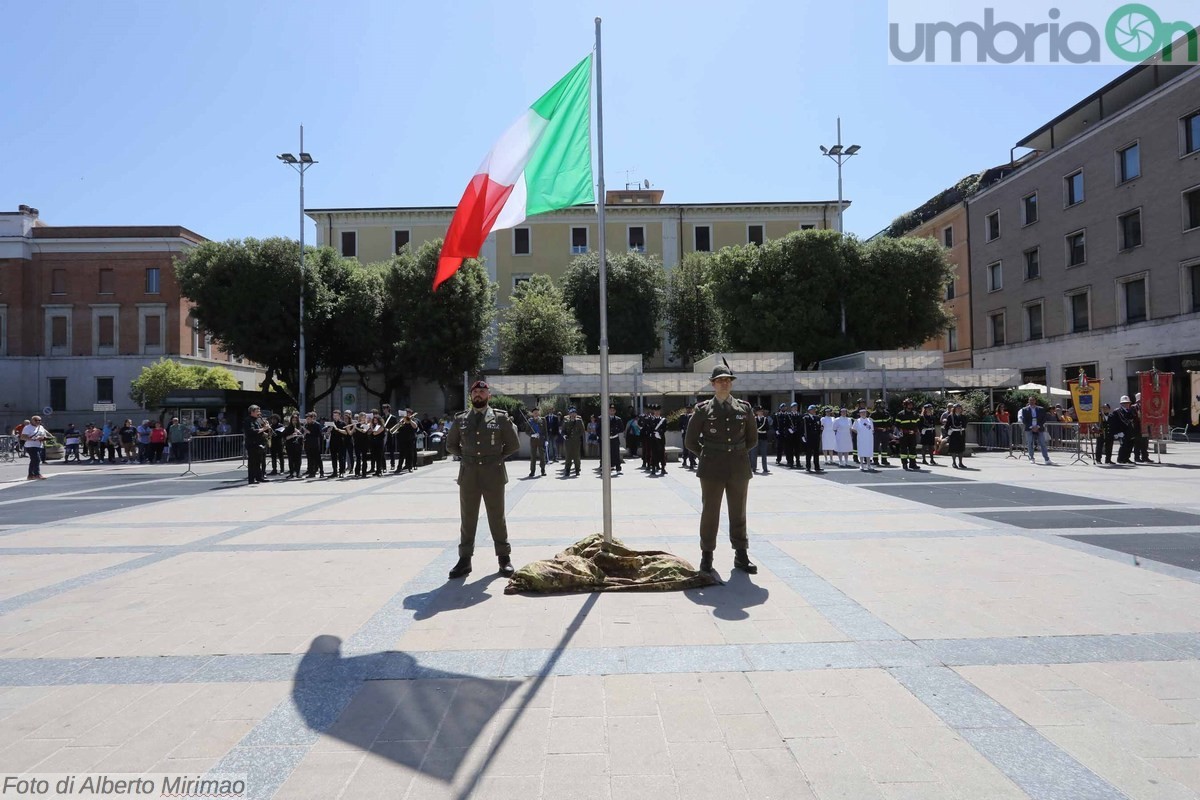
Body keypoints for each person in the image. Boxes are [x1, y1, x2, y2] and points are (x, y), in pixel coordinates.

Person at [684, 363, 758, 574]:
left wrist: (736, 451)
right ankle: (707, 555)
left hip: (738, 467)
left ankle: (741, 554)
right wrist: (707, 455)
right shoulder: (703, 409)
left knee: (738, 512)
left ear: (731, 383)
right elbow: (690, 441)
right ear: (713, 384)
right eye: (720, 380)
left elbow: (752, 439)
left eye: (727, 380)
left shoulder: (744, 408)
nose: (724, 383)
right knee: (710, 512)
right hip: (711, 469)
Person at [445, 380, 520, 579]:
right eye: (475, 392)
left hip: (493, 473)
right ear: (471, 396)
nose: (478, 394)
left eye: (482, 391)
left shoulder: (500, 418)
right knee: (467, 517)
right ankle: (465, 560)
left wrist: (495, 457)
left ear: (489, 396)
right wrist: (468, 456)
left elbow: (513, 444)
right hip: (469, 473)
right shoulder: (461, 419)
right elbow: (451, 445)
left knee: (497, 516)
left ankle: (504, 557)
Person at [1018, 395, 1052, 464]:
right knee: (1030, 443)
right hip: (1029, 428)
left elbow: (1044, 419)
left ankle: (1046, 459)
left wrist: (1038, 426)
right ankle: (1031, 458)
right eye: (1030, 400)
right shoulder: (1025, 409)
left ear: (1035, 401)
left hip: (1039, 428)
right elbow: (1024, 420)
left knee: (1042, 443)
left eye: (1033, 400)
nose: (1031, 402)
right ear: (1028, 401)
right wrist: (1031, 427)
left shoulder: (1041, 409)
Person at [242, 405, 271, 484]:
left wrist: (265, 431)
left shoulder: (257, 420)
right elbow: (251, 431)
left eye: (259, 411)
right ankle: (251, 479)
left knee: (259, 461)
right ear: (252, 412)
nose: (259, 413)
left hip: (259, 443)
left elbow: (259, 431)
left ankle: (259, 477)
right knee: (252, 462)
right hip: (252, 444)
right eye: (257, 411)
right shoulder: (248, 420)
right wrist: (263, 429)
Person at [895, 398, 921, 471]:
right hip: (904, 434)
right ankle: (904, 463)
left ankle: (913, 464)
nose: (910, 406)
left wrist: (915, 431)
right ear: (905, 405)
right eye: (909, 404)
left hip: (912, 434)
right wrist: (900, 432)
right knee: (903, 449)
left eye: (911, 404)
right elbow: (897, 424)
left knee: (913, 449)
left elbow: (918, 424)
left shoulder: (915, 414)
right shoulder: (900, 414)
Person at [1111, 395, 1138, 465]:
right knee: (1123, 446)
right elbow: (1114, 423)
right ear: (1121, 404)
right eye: (1124, 403)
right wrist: (1116, 432)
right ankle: (1120, 459)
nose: (1126, 404)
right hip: (1121, 431)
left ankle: (1126, 458)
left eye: (1127, 403)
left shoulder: (1130, 411)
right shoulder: (1117, 412)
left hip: (1129, 431)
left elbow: (1132, 419)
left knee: (1130, 445)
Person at [20, 415, 50, 479]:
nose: (38, 421)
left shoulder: (41, 427)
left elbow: (43, 435)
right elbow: (23, 437)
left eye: (40, 420)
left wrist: (44, 438)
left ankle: (30, 475)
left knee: (34, 460)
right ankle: (37, 474)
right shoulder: (27, 427)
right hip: (31, 446)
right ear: (32, 420)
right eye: (36, 420)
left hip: (39, 446)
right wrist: (34, 439)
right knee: (37, 459)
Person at [561, 406, 585, 477]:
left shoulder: (579, 421)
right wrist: (564, 435)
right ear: (569, 414)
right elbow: (563, 431)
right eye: (572, 413)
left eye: (574, 413)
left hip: (576, 441)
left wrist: (577, 436)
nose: (573, 414)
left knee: (576, 456)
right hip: (568, 442)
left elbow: (582, 430)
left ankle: (577, 470)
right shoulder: (566, 421)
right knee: (568, 456)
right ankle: (567, 470)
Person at [944, 402, 968, 469]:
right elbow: (946, 426)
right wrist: (949, 431)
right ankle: (954, 462)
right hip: (953, 434)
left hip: (960, 434)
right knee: (953, 449)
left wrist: (961, 428)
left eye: (959, 408)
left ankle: (960, 463)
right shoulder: (950, 416)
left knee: (961, 449)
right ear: (954, 409)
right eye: (957, 408)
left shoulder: (963, 417)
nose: (958, 409)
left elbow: (965, 425)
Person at [801, 404, 824, 474]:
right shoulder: (806, 418)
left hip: (816, 438)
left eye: (814, 409)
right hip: (809, 438)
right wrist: (802, 436)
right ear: (809, 410)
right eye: (813, 409)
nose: (814, 411)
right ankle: (808, 466)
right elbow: (802, 428)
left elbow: (819, 427)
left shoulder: (817, 418)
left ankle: (817, 466)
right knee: (809, 453)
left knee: (816, 453)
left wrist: (821, 429)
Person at [870, 400, 892, 467]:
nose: (883, 405)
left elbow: (889, 423)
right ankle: (875, 460)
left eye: (883, 404)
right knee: (875, 447)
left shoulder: (887, 413)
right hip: (877, 433)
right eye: (882, 404)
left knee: (885, 447)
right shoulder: (873, 414)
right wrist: (879, 429)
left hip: (885, 432)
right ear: (878, 405)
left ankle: (884, 459)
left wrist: (888, 429)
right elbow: (871, 425)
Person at [751, 406, 772, 474]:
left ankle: (765, 468)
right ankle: (753, 468)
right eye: (759, 411)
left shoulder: (765, 419)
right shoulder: (754, 419)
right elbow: (752, 428)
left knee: (764, 454)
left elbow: (767, 428)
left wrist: (760, 430)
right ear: (757, 412)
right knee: (754, 454)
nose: (761, 412)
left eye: (762, 411)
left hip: (763, 438)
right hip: (756, 439)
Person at [526, 407, 547, 477]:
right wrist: (532, 435)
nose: (536, 414)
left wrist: (546, 440)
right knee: (533, 456)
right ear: (532, 413)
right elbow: (527, 431)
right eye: (534, 412)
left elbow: (545, 431)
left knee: (542, 456)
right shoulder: (530, 421)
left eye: (537, 412)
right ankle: (532, 471)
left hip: (541, 440)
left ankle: (543, 470)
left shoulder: (543, 420)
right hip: (533, 440)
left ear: (539, 413)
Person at [647, 404, 667, 476]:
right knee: (654, 453)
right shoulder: (650, 419)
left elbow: (664, 428)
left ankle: (663, 468)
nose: (657, 412)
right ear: (653, 411)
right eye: (655, 411)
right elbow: (649, 429)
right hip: (653, 439)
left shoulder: (663, 420)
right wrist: (653, 433)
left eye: (658, 411)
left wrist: (660, 433)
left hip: (661, 438)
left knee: (662, 453)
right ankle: (653, 468)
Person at [304, 412, 326, 478]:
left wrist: (310, 432)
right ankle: (311, 473)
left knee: (318, 459)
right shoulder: (306, 425)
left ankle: (321, 472)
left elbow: (319, 434)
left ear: (312, 418)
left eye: (309, 419)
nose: (307, 420)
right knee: (310, 459)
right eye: (307, 419)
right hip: (308, 444)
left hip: (315, 444)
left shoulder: (317, 425)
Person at [607, 404, 623, 474]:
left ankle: (618, 468)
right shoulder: (605, 419)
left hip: (615, 437)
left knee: (616, 453)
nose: (611, 411)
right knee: (608, 453)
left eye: (613, 410)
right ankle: (610, 466)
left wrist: (616, 431)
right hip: (607, 438)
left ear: (615, 411)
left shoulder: (618, 419)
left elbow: (621, 429)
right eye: (610, 410)